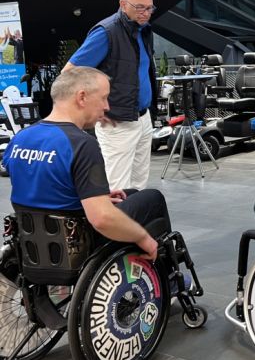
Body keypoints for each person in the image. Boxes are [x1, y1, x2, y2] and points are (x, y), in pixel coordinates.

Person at [3, 67, 169, 260]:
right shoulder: (82, 144)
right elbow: (101, 219)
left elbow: (42, 182)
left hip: (35, 240)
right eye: (104, 98)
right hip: (76, 240)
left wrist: (96, 195)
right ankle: (166, 272)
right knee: (153, 198)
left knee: (130, 194)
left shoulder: (21, 138)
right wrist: (144, 238)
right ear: (82, 98)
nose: (107, 106)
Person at [64, 0, 157, 190]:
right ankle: (114, 221)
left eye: (150, 8)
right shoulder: (107, 32)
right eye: (140, 7)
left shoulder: (143, 31)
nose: (146, 13)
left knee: (139, 183)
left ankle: (132, 220)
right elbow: (69, 73)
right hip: (117, 121)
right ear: (123, 5)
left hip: (142, 117)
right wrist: (91, 109)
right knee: (117, 186)